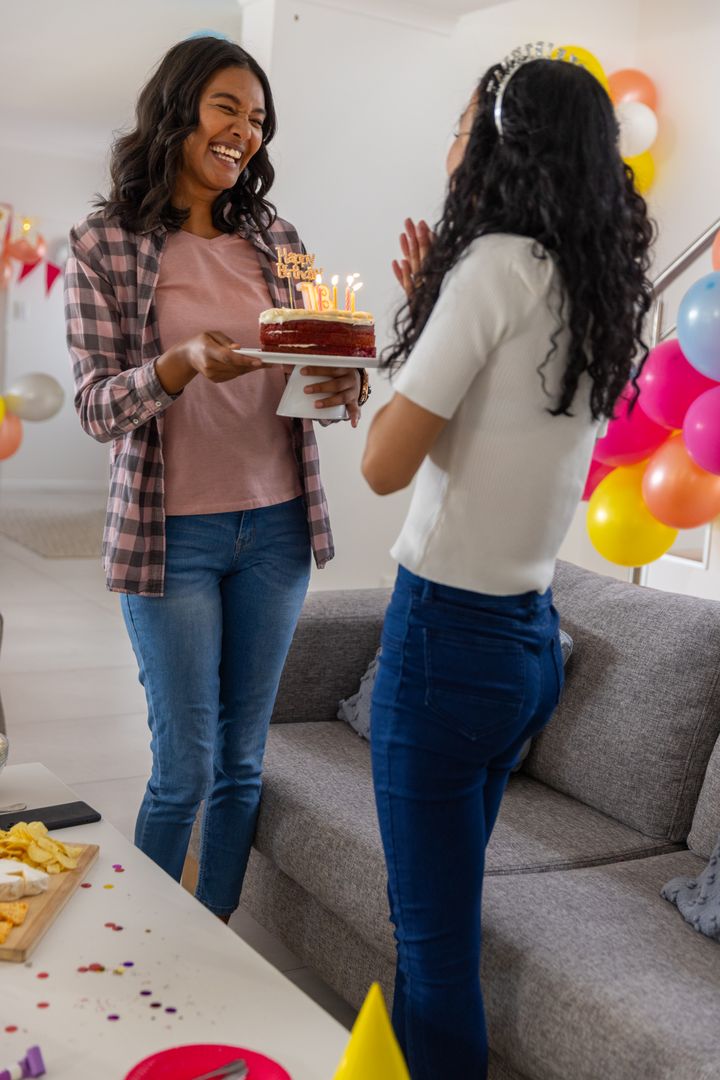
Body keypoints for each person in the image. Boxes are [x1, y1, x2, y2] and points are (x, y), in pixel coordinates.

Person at [362, 49, 654, 1079]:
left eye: (457, 126)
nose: (447, 147)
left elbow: (383, 465)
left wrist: (409, 337)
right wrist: (430, 317)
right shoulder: (598, 283)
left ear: (493, 142)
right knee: (440, 927)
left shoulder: (491, 267)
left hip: (445, 645)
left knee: (434, 955)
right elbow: (490, 437)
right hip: (526, 647)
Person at [64, 35, 369, 921]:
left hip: (277, 529)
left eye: (259, 119)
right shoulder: (104, 243)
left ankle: (217, 945)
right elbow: (92, 407)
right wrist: (179, 364)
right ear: (180, 109)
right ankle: (149, 947)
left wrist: (343, 382)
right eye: (228, 108)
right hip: (174, 538)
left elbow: (321, 358)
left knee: (243, 765)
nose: (244, 132)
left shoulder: (279, 237)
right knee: (184, 768)